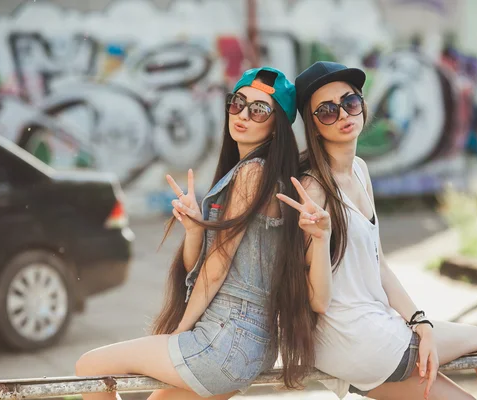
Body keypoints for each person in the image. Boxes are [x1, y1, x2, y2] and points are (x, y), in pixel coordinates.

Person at [276, 61, 477, 400]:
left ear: (362, 105)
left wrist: (419, 321)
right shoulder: (314, 188)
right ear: (313, 124)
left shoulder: (360, 171)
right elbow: (318, 300)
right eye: (326, 111)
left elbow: (379, 264)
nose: (342, 115)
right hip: (357, 338)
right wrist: (320, 238)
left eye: (350, 102)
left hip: (365, 338)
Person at [75, 67, 316, 400]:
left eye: (259, 110)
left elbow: (218, 264)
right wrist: (194, 229)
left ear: (277, 127)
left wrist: (178, 332)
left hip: (226, 338)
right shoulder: (253, 173)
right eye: (238, 103)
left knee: (92, 367)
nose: (243, 114)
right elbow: (199, 265)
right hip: (246, 342)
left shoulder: (252, 173)